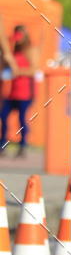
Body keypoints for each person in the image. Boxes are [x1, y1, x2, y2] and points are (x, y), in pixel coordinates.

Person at [0, 25, 38, 156]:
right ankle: (3, 144)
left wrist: (19, 71)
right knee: (3, 116)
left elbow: (33, 70)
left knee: (22, 119)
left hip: (25, 93)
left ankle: (23, 145)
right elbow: (5, 68)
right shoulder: (12, 51)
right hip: (11, 92)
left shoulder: (30, 50)